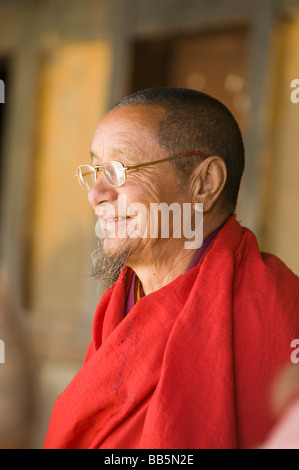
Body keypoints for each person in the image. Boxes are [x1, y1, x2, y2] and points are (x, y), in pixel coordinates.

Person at [43, 87, 299, 449]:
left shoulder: (280, 311)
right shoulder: (118, 306)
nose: (95, 193)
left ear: (204, 184)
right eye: (96, 170)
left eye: (118, 170)